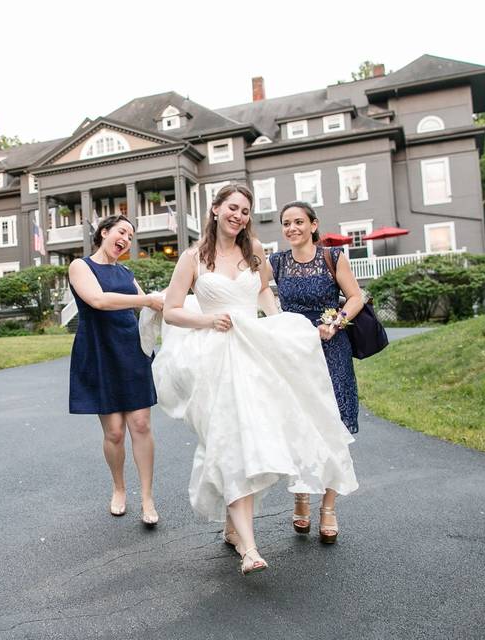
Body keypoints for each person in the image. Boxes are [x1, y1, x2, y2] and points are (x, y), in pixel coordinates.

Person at [152, 184, 357, 575]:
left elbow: (264, 292)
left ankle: (235, 529)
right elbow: (172, 311)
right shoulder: (193, 258)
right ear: (215, 209)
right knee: (229, 443)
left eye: (245, 210)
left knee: (258, 441)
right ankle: (249, 547)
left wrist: (278, 324)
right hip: (213, 358)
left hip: (253, 354)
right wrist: (206, 319)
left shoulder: (255, 252)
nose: (239, 216)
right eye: (233, 207)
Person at [269, 202, 364, 544]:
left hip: (331, 349)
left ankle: (328, 507)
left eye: (298, 222)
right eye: (286, 223)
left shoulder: (332, 257)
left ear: (313, 225)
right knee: (298, 427)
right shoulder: (276, 262)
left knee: (331, 427)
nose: (292, 228)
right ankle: (300, 498)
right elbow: (250, 289)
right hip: (294, 354)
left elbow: (355, 297)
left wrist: (336, 323)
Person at [68, 215, 164, 526]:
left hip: (131, 350)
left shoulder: (126, 273)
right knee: (114, 432)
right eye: (121, 231)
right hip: (99, 352)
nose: (126, 239)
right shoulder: (80, 266)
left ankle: (147, 498)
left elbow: (149, 307)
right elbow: (98, 300)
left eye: (131, 236)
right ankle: (119, 488)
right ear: (104, 232)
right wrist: (147, 298)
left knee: (141, 425)